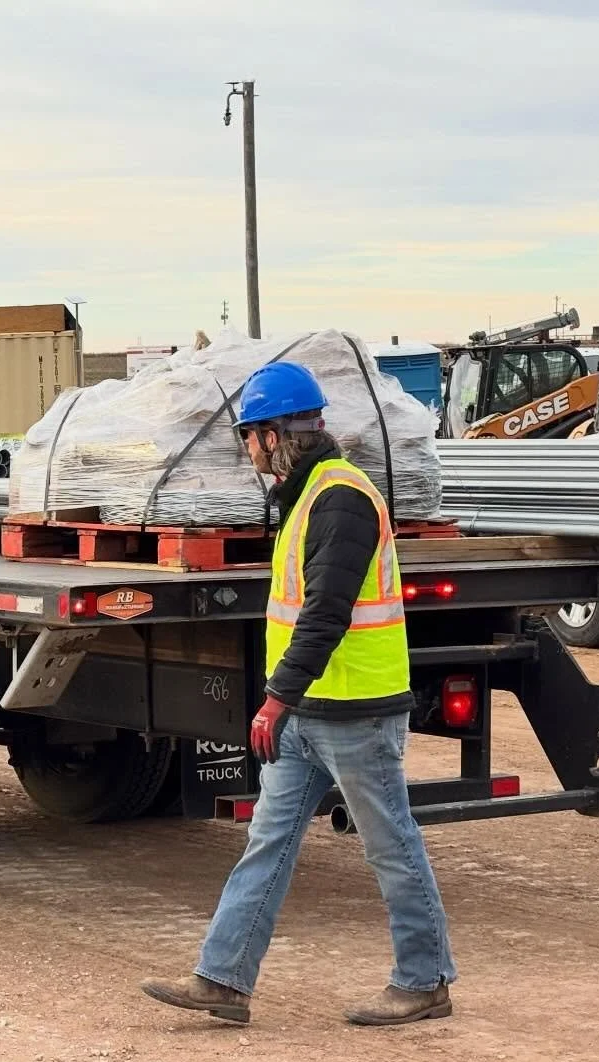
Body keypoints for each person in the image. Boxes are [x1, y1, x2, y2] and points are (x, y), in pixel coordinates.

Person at [140, 360, 455, 1026]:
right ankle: (223, 979)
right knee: (268, 843)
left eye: (252, 437)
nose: (249, 453)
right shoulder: (307, 495)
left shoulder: (340, 497)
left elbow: (327, 612)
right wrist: (287, 703)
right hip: (309, 713)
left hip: (356, 714)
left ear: (281, 433)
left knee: (389, 845)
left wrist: (275, 698)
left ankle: (424, 981)